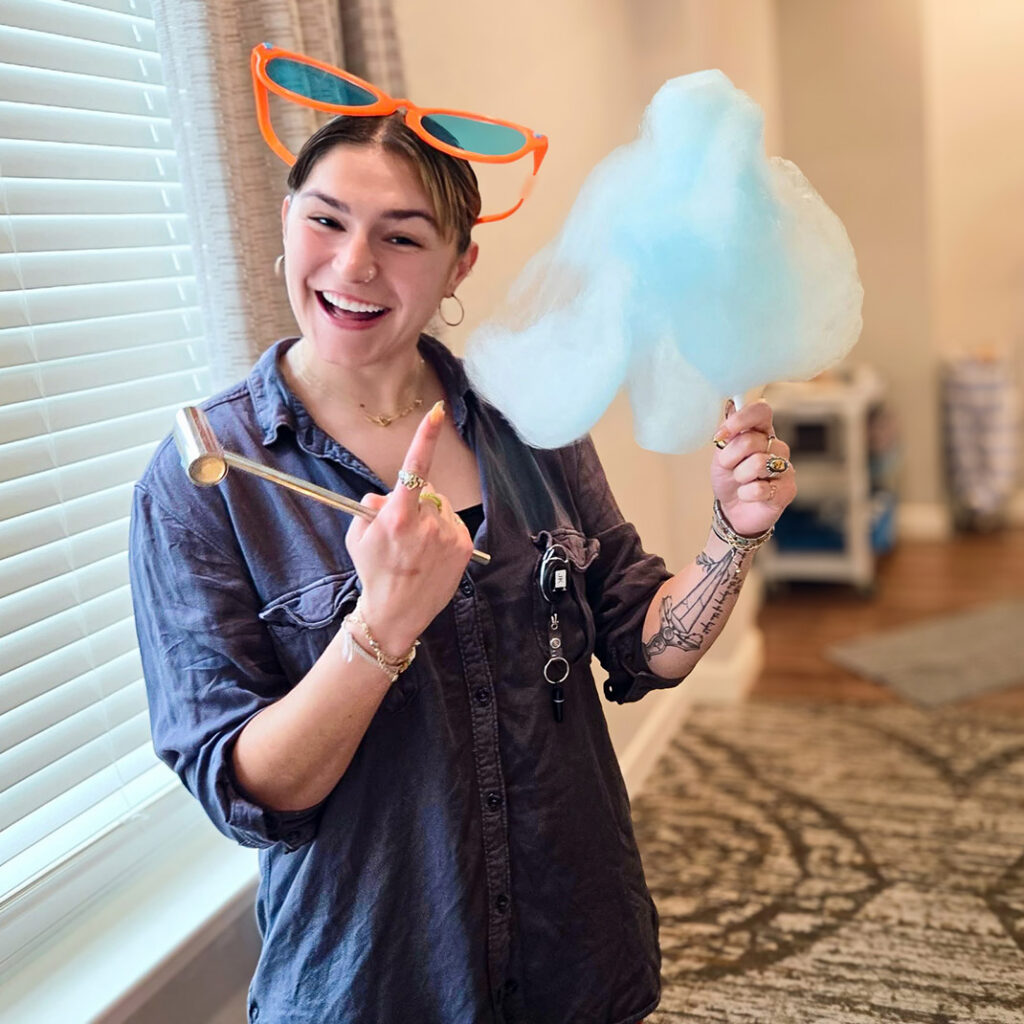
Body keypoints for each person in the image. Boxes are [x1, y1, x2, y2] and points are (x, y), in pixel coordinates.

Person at [129, 61, 797, 1024]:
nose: (354, 265)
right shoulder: (209, 481)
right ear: (285, 224)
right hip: (381, 976)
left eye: (402, 237)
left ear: (457, 267)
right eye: (325, 220)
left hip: (577, 946)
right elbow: (251, 793)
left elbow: (642, 646)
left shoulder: (527, 413)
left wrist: (732, 535)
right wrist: (383, 623)